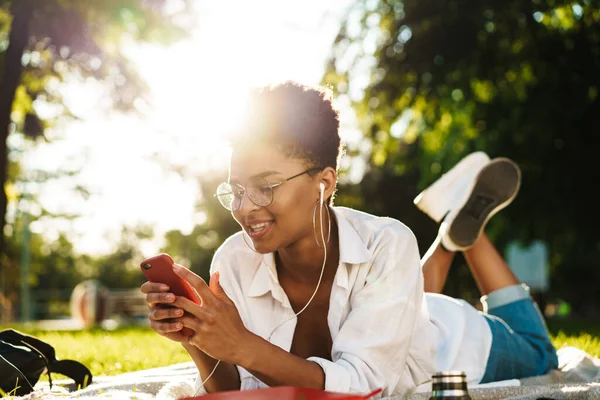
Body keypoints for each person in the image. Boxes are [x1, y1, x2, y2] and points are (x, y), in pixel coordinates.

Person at [140, 81, 558, 398]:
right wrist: (200, 339)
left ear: (324, 183)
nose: (246, 207)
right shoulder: (234, 259)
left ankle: (466, 235)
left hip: (452, 339)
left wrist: (241, 345)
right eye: (236, 188)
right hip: (391, 308)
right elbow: (236, 386)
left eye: (266, 186)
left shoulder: (387, 242)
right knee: (401, 298)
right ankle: (450, 236)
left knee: (541, 352)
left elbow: (361, 389)